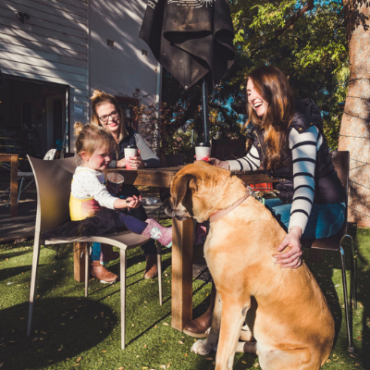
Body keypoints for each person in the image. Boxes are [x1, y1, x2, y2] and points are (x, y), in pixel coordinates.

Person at [183, 65, 346, 338]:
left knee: (245, 233)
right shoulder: (266, 128)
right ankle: (231, 309)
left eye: (256, 90)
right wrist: (223, 164)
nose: (251, 96)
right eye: (248, 92)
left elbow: (305, 185)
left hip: (326, 210)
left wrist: (294, 233)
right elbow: (252, 161)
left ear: (275, 89)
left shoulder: (301, 126)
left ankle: (222, 314)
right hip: (291, 204)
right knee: (232, 221)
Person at [70, 123, 172, 283]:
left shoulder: (93, 170)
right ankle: (95, 266)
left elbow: (102, 192)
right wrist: (124, 202)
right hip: (85, 220)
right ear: (85, 155)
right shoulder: (86, 175)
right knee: (117, 219)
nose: (109, 159)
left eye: (110, 154)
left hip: (95, 214)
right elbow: (103, 198)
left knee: (119, 217)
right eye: (103, 155)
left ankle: (155, 236)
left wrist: (113, 188)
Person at [90, 90, 161, 279]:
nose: (110, 119)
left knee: (136, 204)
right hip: (100, 191)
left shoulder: (131, 135)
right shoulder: (94, 137)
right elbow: (87, 162)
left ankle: (151, 255)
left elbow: (155, 159)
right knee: (102, 213)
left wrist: (143, 163)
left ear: (119, 112)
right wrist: (116, 164)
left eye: (113, 113)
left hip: (125, 189)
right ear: (98, 119)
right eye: (104, 116)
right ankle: (96, 264)